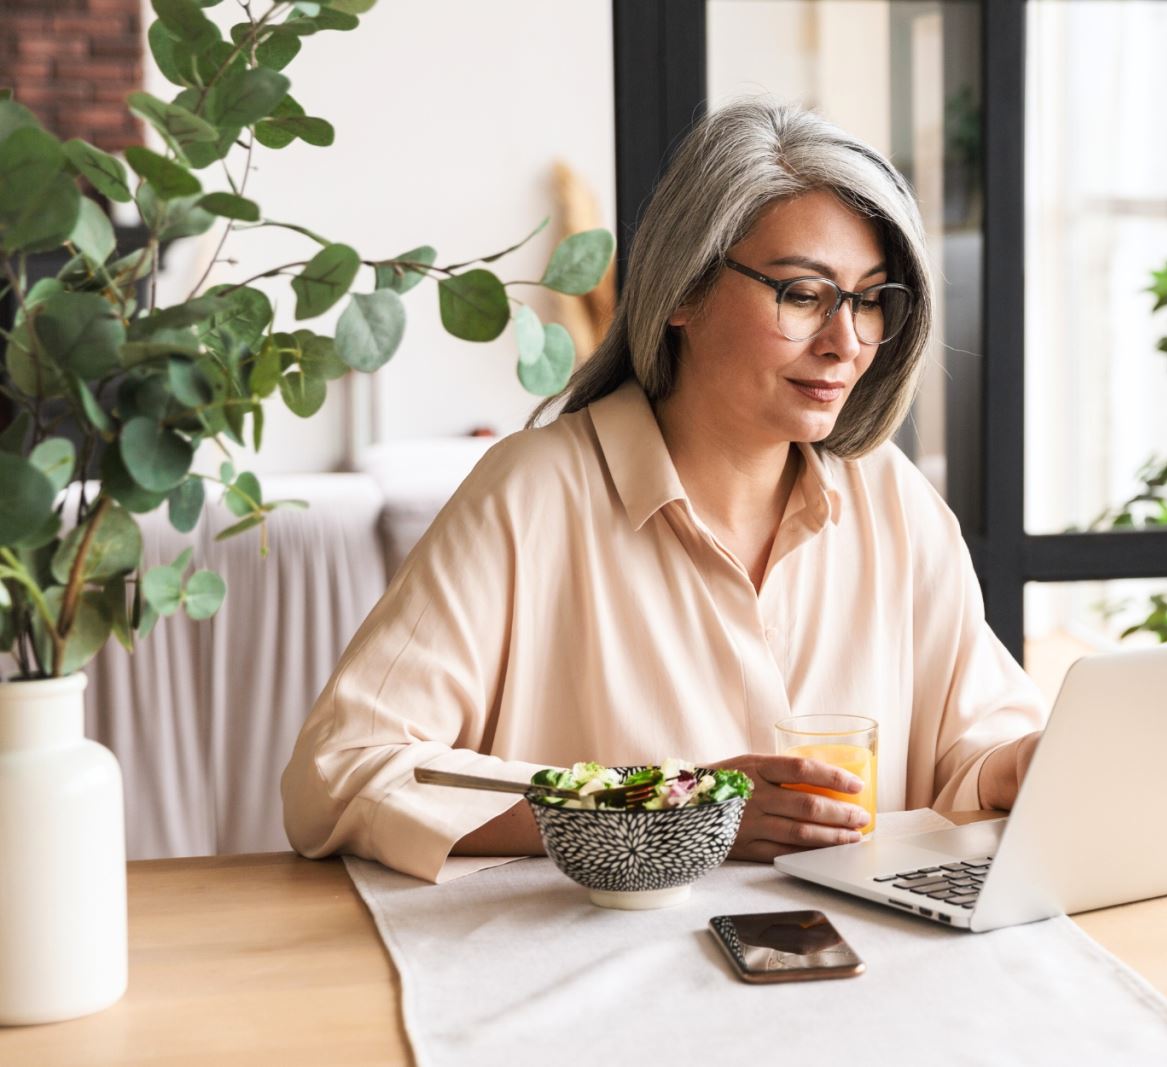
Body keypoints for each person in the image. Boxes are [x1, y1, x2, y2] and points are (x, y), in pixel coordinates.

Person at [281, 98, 1046, 883]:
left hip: (860, 973)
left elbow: (976, 748)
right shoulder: (532, 494)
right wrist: (669, 811)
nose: (844, 342)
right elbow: (341, 772)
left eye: (869, 299)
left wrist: (1020, 765)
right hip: (595, 983)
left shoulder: (895, 501)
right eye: (803, 294)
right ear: (684, 290)